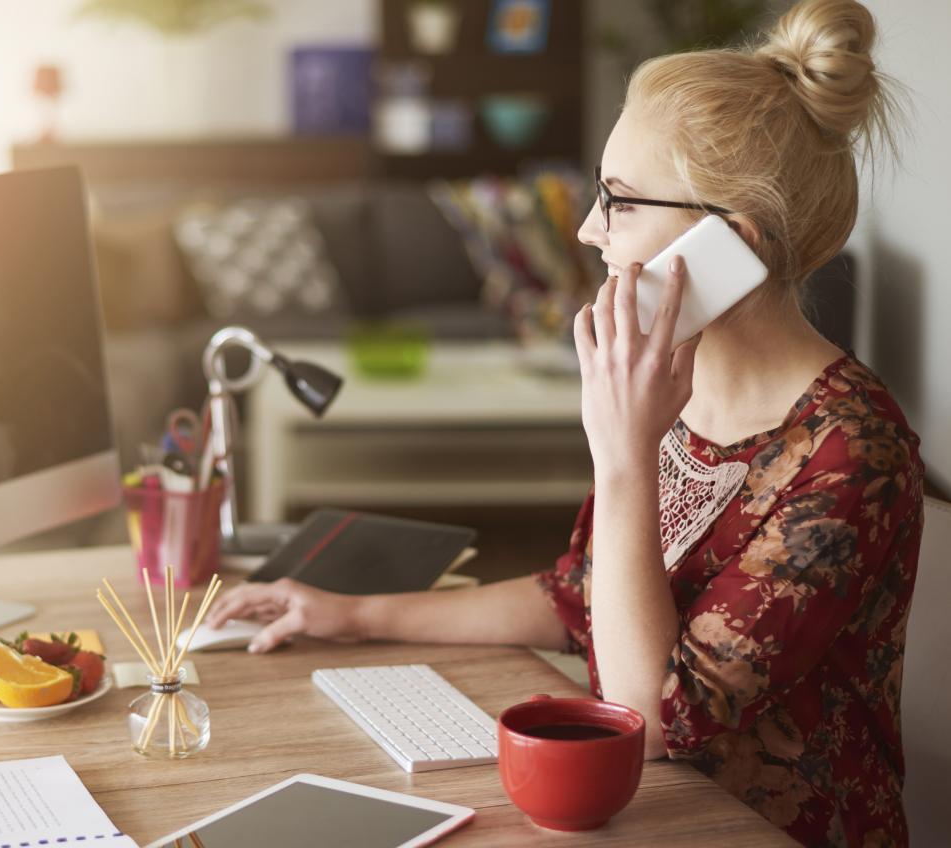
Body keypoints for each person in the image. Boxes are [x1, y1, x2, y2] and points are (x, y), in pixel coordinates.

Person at [208, 0, 922, 843]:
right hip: (645, 813)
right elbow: (579, 597)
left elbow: (652, 718)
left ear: (734, 245)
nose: (589, 231)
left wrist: (624, 455)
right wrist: (351, 614)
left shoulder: (851, 451)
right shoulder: (670, 388)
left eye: (620, 202)